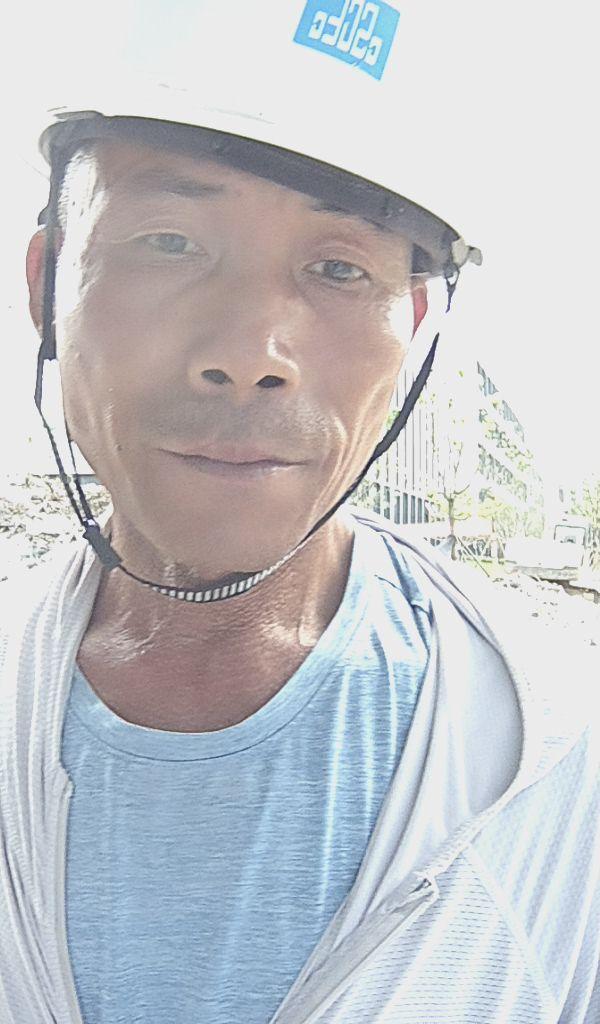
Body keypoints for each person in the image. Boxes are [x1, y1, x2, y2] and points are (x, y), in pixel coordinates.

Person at [1, 3, 599, 1022]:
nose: (251, 353)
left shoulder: (557, 776)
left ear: (412, 328)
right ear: (49, 283)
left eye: (339, 269)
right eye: (170, 241)